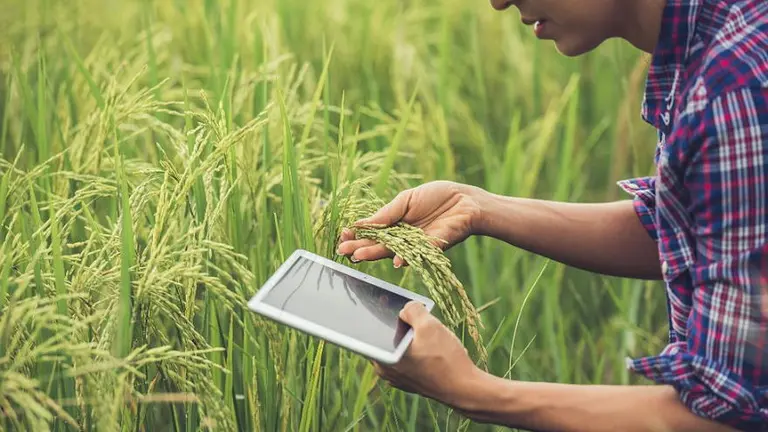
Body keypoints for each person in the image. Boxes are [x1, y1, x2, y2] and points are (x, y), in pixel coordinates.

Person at [336, 0, 768, 430]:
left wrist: (469, 390)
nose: (498, 2)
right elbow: (697, 232)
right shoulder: (713, 42)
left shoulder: (733, 87)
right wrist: (479, 207)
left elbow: (723, 420)